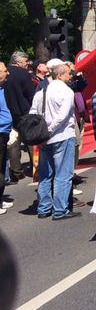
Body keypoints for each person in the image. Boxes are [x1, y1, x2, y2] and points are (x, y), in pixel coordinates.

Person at [29, 63, 78, 220]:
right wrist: (50, 129)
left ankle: (43, 208)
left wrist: (42, 131)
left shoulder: (41, 92)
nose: (70, 76)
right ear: (60, 75)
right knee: (63, 174)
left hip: (44, 138)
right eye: (68, 74)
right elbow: (62, 117)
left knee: (45, 175)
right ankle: (60, 210)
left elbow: (33, 114)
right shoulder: (66, 91)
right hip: (62, 136)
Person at [4, 51, 34, 183]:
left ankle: (16, 171)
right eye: (25, 62)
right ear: (18, 62)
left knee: (13, 143)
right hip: (24, 111)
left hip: (8, 112)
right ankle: (36, 166)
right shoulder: (24, 74)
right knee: (30, 141)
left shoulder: (4, 74)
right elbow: (30, 93)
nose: (27, 64)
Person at [0, 62, 12, 213]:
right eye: (4, 71)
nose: (8, 73)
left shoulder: (2, 88)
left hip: (4, 133)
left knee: (2, 167)